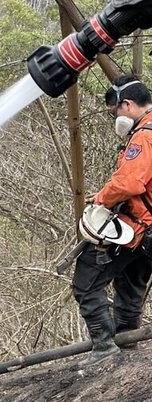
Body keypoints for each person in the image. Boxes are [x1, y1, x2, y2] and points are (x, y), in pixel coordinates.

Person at [73, 74, 152, 367]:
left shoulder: (144, 136)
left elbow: (130, 182)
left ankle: (105, 347)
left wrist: (103, 198)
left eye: (115, 111)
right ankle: (128, 341)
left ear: (127, 105)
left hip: (138, 228)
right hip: (147, 233)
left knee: (86, 282)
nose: (115, 117)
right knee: (131, 283)